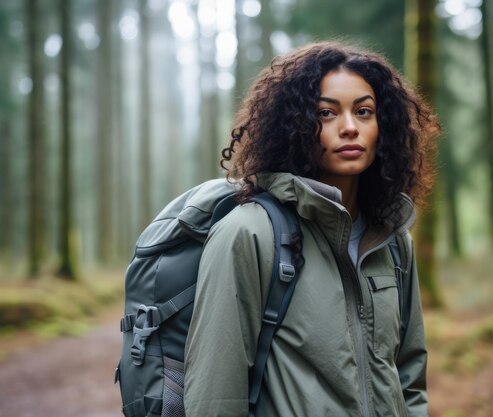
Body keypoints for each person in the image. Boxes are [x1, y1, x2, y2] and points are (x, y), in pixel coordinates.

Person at [183, 41, 439, 417]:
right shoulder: (250, 234)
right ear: (295, 125)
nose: (350, 127)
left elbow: (410, 377)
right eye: (326, 113)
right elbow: (214, 397)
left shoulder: (392, 240)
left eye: (364, 112)